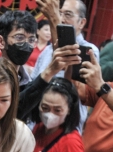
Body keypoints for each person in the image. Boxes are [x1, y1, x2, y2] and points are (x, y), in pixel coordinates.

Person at [31, 0, 99, 132]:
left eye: (68, 14)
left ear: (82, 22)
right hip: (37, 124)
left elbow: (65, 61)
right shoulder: (47, 50)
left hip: (66, 129)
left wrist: (54, 18)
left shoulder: (88, 50)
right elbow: (33, 83)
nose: (61, 18)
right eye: (60, 13)